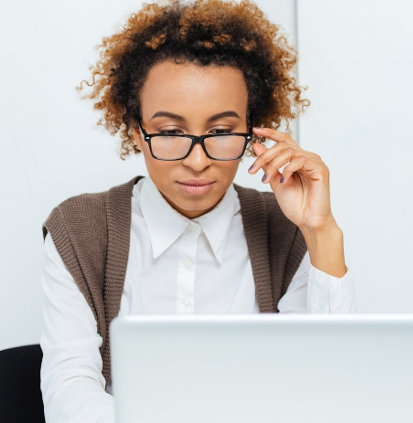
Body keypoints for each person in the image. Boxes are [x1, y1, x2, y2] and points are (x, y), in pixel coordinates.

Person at [39, 1, 356, 422]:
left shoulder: (288, 226)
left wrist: (322, 232)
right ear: (137, 133)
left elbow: (326, 385)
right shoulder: (80, 229)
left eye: (222, 132)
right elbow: (70, 390)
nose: (197, 160)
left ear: (252, 131)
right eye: (170, 132)